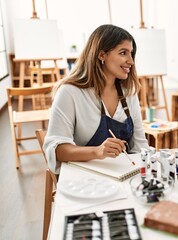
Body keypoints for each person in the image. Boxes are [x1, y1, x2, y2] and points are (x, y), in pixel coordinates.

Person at [44, 24, 149, 174]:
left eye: (131, 54)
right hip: (83, 176)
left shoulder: (129, 93)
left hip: (121, 174)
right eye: (123, 53)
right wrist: (97, 152)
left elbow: (139, 145)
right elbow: (58, 150)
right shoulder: (69, 93)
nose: (131, 61)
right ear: (101, 55)